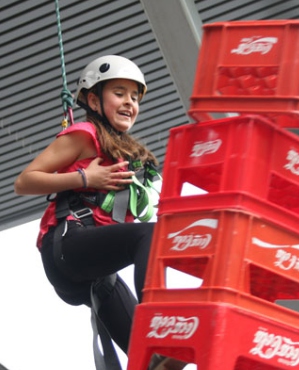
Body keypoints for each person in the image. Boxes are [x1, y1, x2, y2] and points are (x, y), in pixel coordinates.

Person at [14, 55, 185, 370]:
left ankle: (176, 347)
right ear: (93, 99)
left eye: (134, 98)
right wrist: (85, 178)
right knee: (148, 236)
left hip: (96, 276)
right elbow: (24, 181)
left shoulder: (127, 154)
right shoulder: (84, 135)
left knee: (157, 362)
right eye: (119, 93)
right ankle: (159, 319)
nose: (129, 103)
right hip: (67, 246)